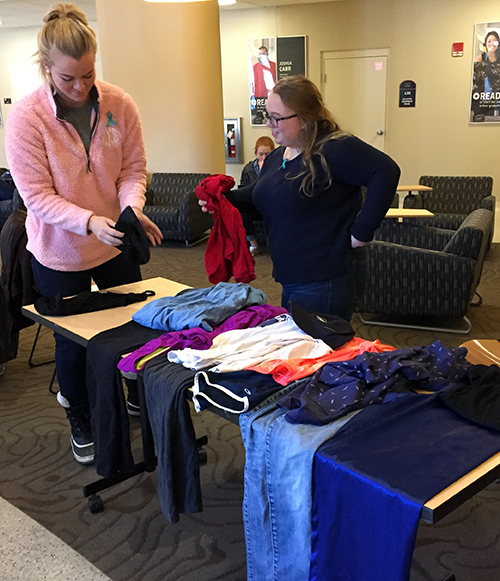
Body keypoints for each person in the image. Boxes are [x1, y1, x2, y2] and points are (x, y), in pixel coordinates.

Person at [5, 3, 162, 465]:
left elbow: (132, 169)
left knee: (136, 323)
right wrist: (89, 222)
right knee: (74, 340)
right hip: (59, 249)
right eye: (68, 78)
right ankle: (80, 414)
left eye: (88, 75)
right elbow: (36, 196)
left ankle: (133, 387)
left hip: (114, 238)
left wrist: (130, 211)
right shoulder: (27, 119)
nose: (79, 88)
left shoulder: (118, 104)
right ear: (46, 67)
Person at [203, 75, 400, 321]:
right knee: (302, 349)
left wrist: (363, 231)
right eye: (268, 116)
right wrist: (223, 200)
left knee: (319, 351)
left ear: (305, 118)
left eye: (277, 118)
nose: (269, 124)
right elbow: (261, 198)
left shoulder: (333, 148)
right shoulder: (278, 156)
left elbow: (385, 171)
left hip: (324, 276)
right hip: (291, 274)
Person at [239, 136, 275, 255]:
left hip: (271, 204)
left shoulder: (277, 167)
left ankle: (273, 244)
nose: (264, 157)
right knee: (243, 213)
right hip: (253, 204)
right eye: (261, 154)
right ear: (256, 153)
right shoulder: (248, 169)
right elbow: (243, 189)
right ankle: (253, 244)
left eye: (267, 154)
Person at [472, 30, 500, 118]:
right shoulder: (479, 60)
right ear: (486, 43)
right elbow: (475, 82)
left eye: (495, 41)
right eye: (489, 41)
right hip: (483, 100)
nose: (492, 43)